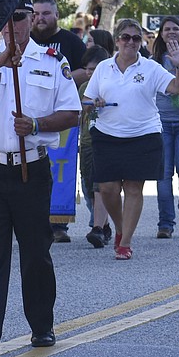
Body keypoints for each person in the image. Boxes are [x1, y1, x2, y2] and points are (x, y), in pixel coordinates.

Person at [0, 0, 80, 356]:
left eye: (20, 16)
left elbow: (72, 112)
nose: (14, 24)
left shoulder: (51, 62)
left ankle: (41, 326)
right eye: (7, 18)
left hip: (32, 167)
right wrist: (0, 59)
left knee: (35, 252)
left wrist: (38, 123)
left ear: (31, 20)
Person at [83, 18, 179, 260]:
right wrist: (93, 103)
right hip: (107, 134)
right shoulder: (103, 68)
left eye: (136, 38)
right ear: (117, 39)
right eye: (126, 37)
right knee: (108, 189)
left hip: (143, 134)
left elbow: (176, 89)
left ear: (141, 42)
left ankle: (125, 242)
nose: (131, 42)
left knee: (133, 187)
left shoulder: (150, 67)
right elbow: (87, 101)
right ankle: (120, 228)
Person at [31, 0, 87, 243]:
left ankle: (59, 223)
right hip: (29, 116)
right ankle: (31, 220)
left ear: (56, 15)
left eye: (45, 13)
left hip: (62, 117)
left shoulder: (71, 42)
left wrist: (54, 81)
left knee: (60, 169)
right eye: (36, 14)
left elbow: (87, 72)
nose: (39, 18)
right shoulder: (25, 40)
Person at [152, 17, 179, 238]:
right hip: (161, 123)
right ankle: (165, 223)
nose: (171, 32)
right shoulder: (154, 60)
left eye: (175, 29)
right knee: (163, 175)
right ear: (160, 33)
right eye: (166, 29)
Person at [79, 47, 112, 248]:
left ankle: (97, 228)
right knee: (88, 187)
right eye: (88, 69)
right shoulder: (83, 87)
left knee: (100, 185)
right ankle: (105, 226)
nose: (91, 73)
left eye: (95, 69)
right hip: (86, 142)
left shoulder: (111, 86)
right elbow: (80, 113)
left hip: (106, 141)